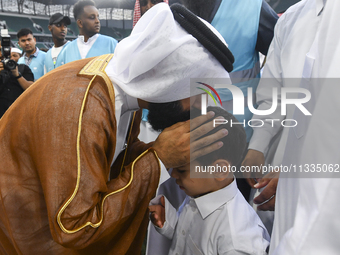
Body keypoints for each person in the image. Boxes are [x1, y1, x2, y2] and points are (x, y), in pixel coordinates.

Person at [0, 3, 232, 254]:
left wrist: (159, 148)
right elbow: (75, 226)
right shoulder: (82, 106)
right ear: (169, 77)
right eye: (197, 93)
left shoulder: (121, 86)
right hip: (27, 234)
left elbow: (112, 157)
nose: (199, 106)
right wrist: (158, 157)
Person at [242, 0, 339, 254]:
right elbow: (272, 94)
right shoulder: (292, 19)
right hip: (280, 157)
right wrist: (257, 147)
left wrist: (294, 173)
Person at [149, 106, 270, 255]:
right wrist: (171, 225)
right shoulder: (200, 193)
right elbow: (196, 240)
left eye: (182, 170)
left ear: (219, 170)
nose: (173, 175)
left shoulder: (237, 241)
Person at [0, 45, 34, 118]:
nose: (12, 58)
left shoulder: (23, 68)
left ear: (20, 57)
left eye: (14, 56)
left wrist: (17, 75)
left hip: (19, 112)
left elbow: (31, 88)